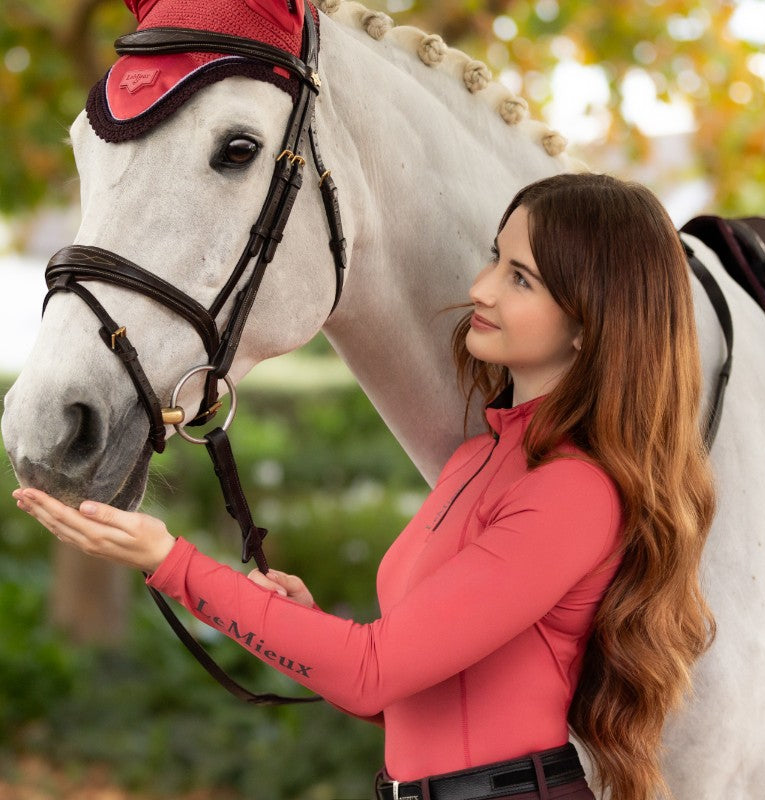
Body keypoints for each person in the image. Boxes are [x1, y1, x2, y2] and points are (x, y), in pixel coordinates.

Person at [13, 172, 716, 800]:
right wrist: (305, 622)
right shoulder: (480, 457)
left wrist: (171, 562)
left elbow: (371, 672)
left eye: (521, 278)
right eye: (495, 257)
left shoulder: (574, 492)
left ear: (590, 324)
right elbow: (405, 688)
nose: (481, 287)